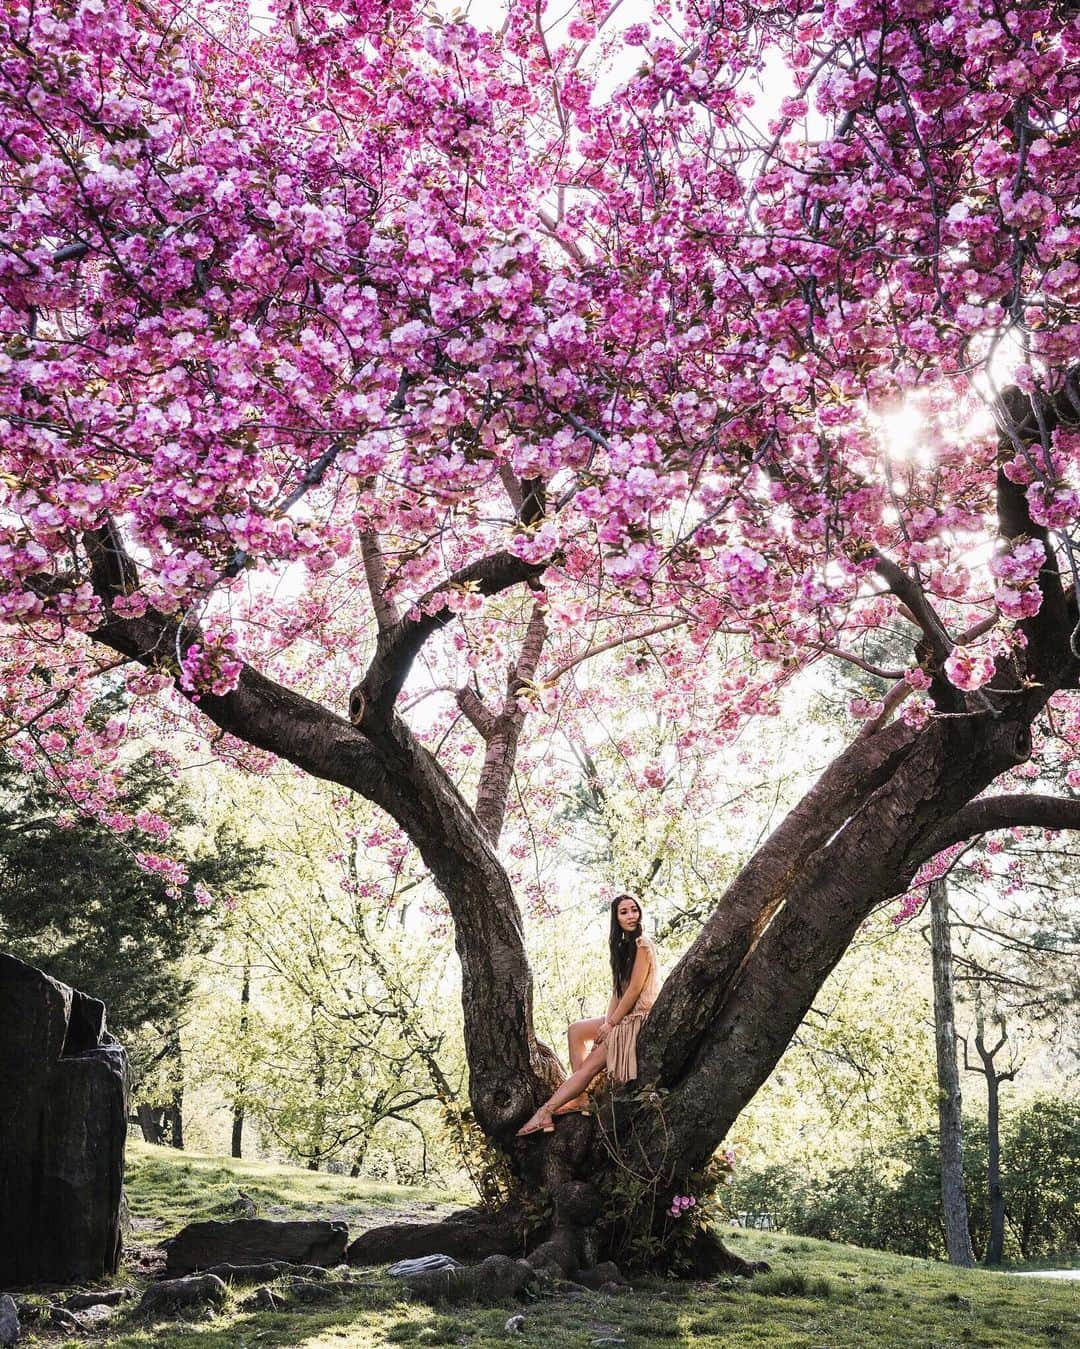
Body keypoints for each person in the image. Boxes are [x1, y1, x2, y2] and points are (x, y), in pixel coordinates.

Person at [516, 893, 661, 1136]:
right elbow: (617, 993)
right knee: (576, 1030)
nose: (631, 916)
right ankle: (580, 1096)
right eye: (624, 912)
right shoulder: (621, 947)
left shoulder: (642, 945)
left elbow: (635, 990)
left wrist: (613, 1025)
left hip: (637, 1018)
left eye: (634, 910)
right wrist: (606, 1025)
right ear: (616, 917)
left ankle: (545, 1111)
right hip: (622, 1017)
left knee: (588, 1068)